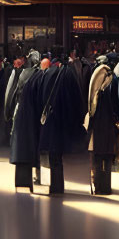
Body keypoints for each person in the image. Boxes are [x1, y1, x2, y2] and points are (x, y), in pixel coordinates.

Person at [38, 57, 87, 196]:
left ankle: (55, 187)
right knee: (58, 154)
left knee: (54, 155)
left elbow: (41, 96)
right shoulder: (69, 75)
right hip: (65, 121)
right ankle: (59, 186)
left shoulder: (46, 74)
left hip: (51, 120)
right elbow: (77, 99)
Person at [6, 51, 42, 190]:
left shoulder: (22, 74)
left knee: (21, 148)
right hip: (33, 116)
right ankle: (35, 177)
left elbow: (11, 95)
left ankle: (23, 181)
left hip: (20, 115)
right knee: (31, 148)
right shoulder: (36, 75)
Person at [85, 55, 118, 194]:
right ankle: (102, 186)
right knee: (104, 157)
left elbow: (92, 106)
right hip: (107, 128)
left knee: (98, 156)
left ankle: (99, 185)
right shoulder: (110, 84)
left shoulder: (100, 89)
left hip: (99, 128)